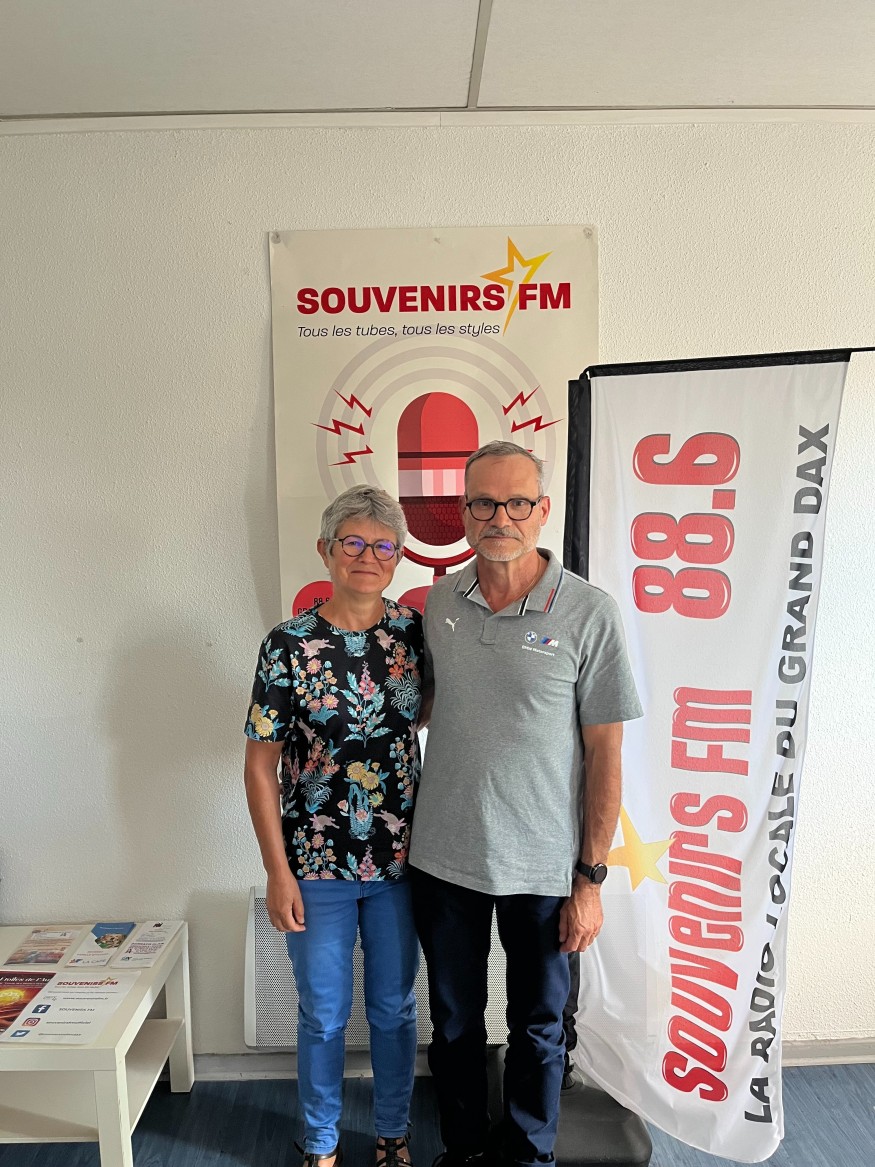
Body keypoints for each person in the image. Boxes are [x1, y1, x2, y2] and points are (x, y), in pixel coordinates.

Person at [409, 441, 642, 1167]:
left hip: (545, 869)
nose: (499, 517)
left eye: (516, 502)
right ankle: (462, 1150)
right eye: (483, 502)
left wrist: (590, 880)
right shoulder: (439, 602)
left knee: (539, 1028)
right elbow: (423, 703)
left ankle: (527, 1157)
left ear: (542, 511)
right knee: (453, 1025)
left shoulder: (588, 612)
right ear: (463, 513)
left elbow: (606, 755)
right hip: (443, 857)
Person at [244, 485, 424, 1167]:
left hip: (403, 862)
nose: (367, 556)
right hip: (315, 862)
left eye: (383, 546)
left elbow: (437, 717)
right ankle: (320, 1139)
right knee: (322, 1011)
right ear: (325, 550)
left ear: (398, 557)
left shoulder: (414, 634)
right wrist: (276, 871)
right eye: (353, 542)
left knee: (394, 1008)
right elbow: (259, 765)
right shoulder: (288, 644)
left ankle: (392, 1131)